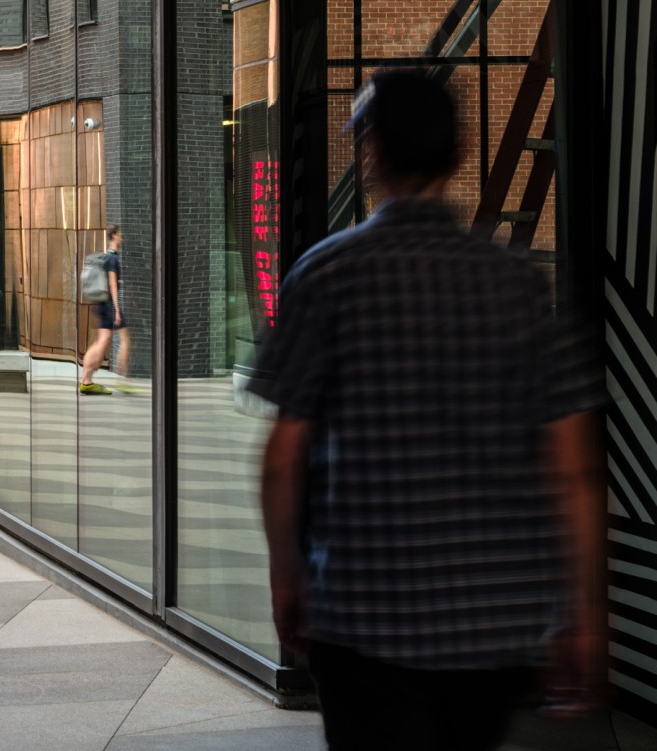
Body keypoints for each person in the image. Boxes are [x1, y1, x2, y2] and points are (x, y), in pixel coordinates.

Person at [253, 69, 606, 750]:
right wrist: (583, 613)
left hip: (361, 615)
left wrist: (287, 576)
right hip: (491, 624)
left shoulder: (325, 274)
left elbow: (283, 456)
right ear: (460, 152)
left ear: (371, 153)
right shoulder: (520, 285)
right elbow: (573, 469)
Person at [78, 227, 125, 394]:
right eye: (120, 235)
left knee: (103, 341)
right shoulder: (112, 258)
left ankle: (87, 379)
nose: (122, 238)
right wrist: (117, 309)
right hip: (107, 303)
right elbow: (112, 284)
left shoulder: (108, 257)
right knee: (103, 341)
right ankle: (86, 380)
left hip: (103, 303)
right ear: (114, 236)